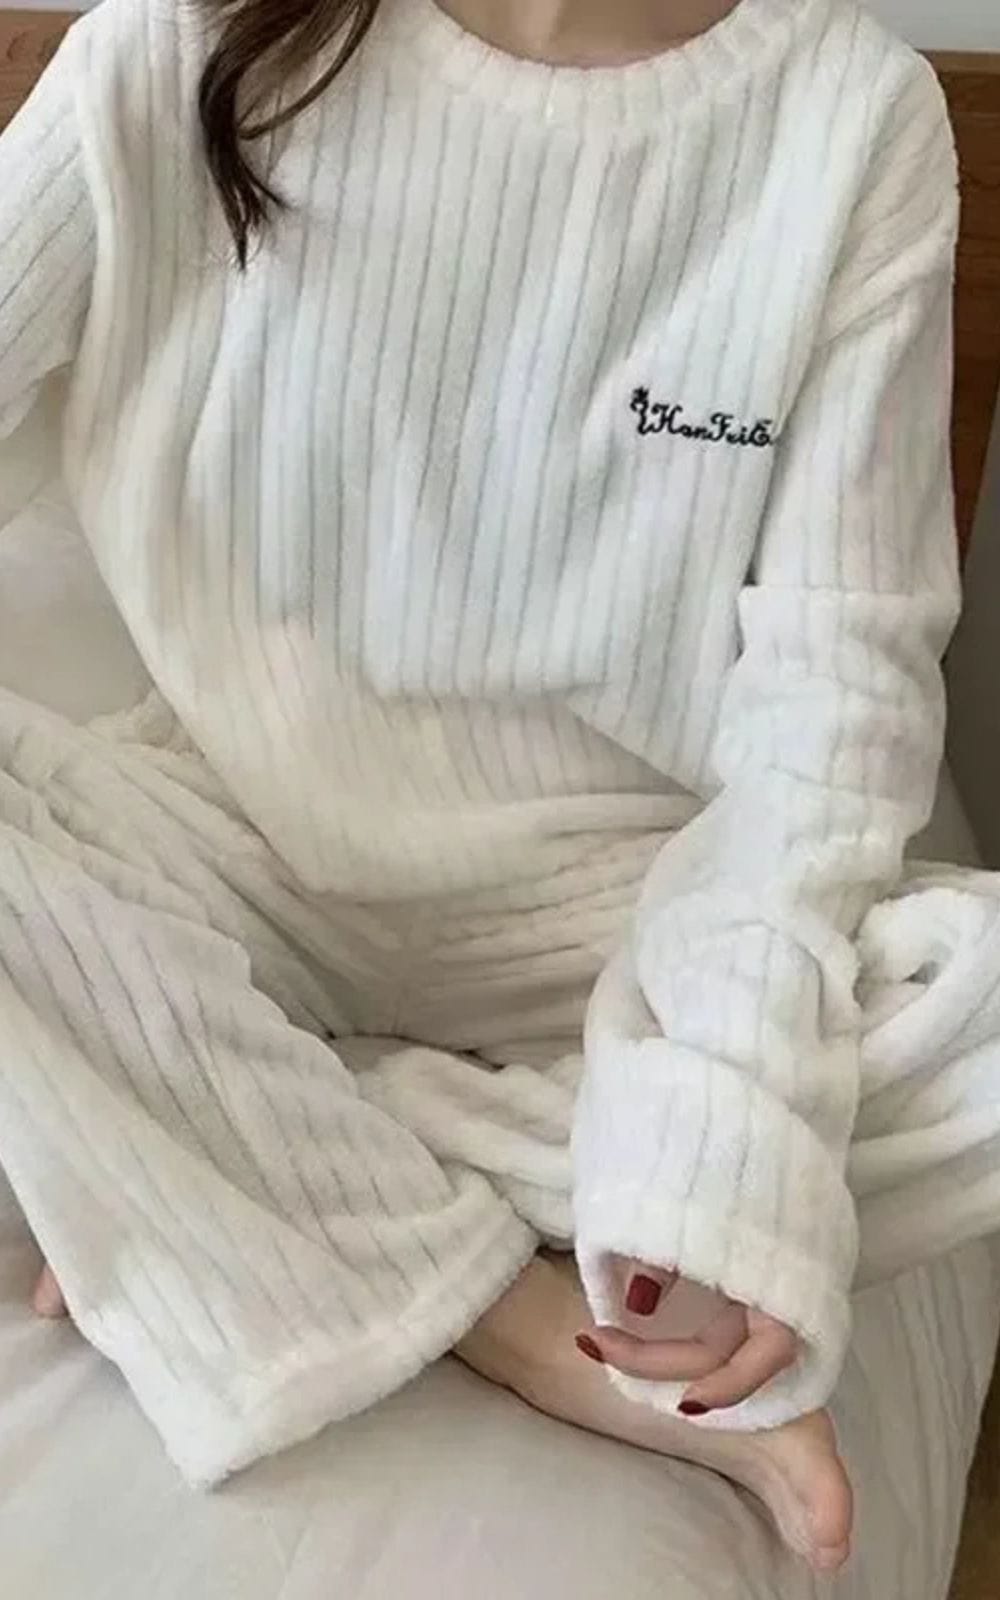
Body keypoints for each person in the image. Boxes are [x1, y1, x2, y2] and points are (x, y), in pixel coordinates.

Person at [3, 0, 1000, 1574]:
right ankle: (495, 1302)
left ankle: (249, 1142)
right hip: (215, 864)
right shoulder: (175, 47)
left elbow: (835, 710)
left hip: (614, 927)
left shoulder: (849, 117)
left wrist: (724, 1125)